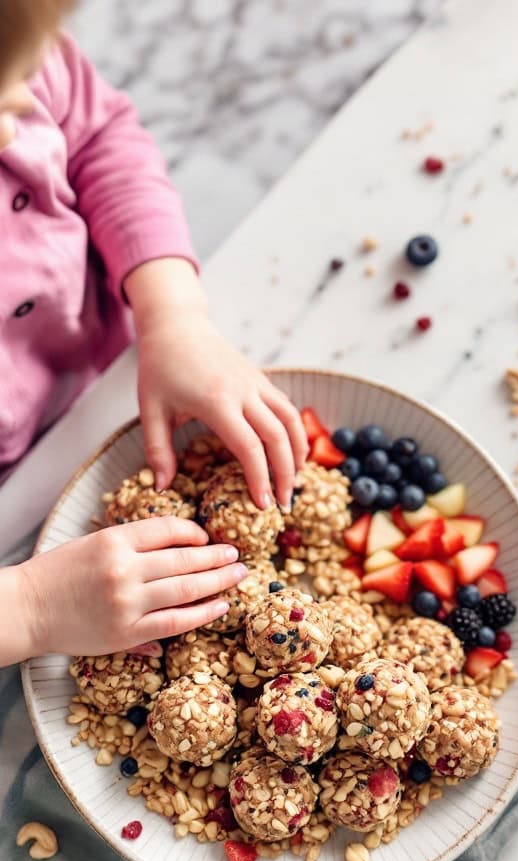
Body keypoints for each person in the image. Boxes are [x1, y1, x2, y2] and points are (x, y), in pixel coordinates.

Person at [0, 0, 308, 668]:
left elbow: (97, 138)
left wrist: (172, 315)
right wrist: (29, 607)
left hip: (100, 367)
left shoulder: (16, 63)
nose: (21, 107)